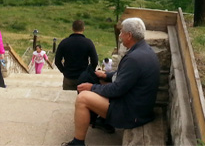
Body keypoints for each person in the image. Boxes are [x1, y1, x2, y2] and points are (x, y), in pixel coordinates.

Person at [62, 18, 160, 146]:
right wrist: (106, 75)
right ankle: (104, 122)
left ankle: (77, 143)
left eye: (121, 33)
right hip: (140, 105)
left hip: (133, 113)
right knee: (102, 81)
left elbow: (117, 89)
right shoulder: (144, 50)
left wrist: (92, 87)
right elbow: (126, 77)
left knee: (83, 98)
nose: (119, 35)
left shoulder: (134, 59)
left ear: (129, 35)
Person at [55, 20, 98, 91]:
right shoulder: (88, 43)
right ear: (83, 28)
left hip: (68, 77)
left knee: (66, 98)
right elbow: (95, 61)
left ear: (72, 28)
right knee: (82, 99)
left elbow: (57, 61)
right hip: (83, 76)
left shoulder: (64, 42)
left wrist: (64, 71)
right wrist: (88, 72)